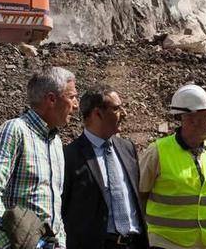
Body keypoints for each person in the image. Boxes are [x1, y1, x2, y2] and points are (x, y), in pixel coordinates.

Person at [0, 67, 79, 249]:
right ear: (51, 99)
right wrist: (15, 244)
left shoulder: (56, 143)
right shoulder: (15, 131)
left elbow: (53, 210)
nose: (76, 105)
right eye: (72, 97)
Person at [139, 84, 206, 249]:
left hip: (205, 242)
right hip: (166, 243)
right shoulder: (157, 151)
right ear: (191, 119)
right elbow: (139, 195)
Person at [63, 85, 148, 249]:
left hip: (134, 243)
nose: (124, 113)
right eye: (116, 109)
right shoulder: (70, 156)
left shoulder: (127, 148)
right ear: (97, 113)